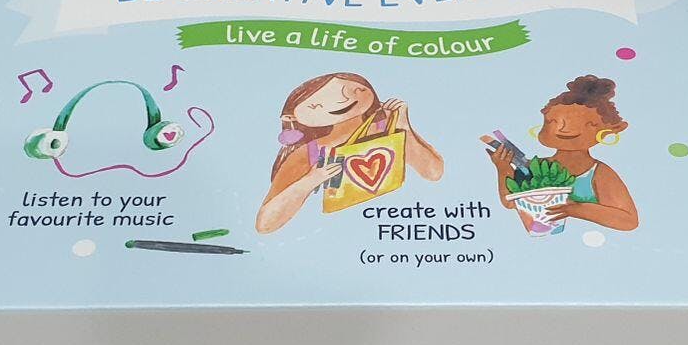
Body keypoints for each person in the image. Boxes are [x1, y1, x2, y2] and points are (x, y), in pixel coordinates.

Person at [256, 72, 443, 233]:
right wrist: (311, 180)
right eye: (317, 104)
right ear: (291, 117)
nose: (343, 100)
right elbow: (265, 224)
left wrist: (404, 128)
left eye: (354, 90)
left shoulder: (386, 126)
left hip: (398, 216)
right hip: (336, 234)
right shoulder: (307, 153)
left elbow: (433, 173)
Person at [486, 74, 639, 231]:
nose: (564, 129)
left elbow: (629, 221)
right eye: (553, 121)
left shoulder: (599, 173)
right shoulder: (535, 166)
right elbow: (511, 202)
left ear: (607, 131)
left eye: (585, 124)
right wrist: (503, 168)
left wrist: (576, 209)